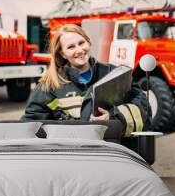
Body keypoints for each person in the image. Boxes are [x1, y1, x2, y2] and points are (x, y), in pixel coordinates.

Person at [21, 24, 150, 137]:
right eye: (71, 47)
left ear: (89, 43)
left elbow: (142, 107)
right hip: (73, 155)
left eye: (81, 43)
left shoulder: (113, 73)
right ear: (62, 53)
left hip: (112, 151)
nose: (79, 50)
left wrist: (113, 117)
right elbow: (30, 124)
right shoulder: (50, 85)